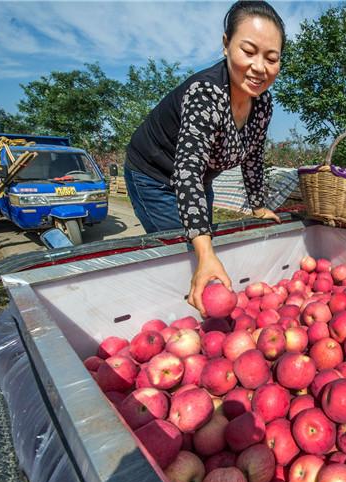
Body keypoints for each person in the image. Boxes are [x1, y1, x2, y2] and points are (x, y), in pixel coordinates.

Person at [124, 1, 284, 316]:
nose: (259, 67)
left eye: (271, 58)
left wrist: (257, 205)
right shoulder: (205, 94)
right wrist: (204, 252)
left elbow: (252, 157)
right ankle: (174, 317)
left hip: (200, 179)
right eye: (248, 51)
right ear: (226, 45)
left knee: (203, 246)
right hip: (155, 176)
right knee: (191, 256)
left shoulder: (262, 104)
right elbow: (186, 173)